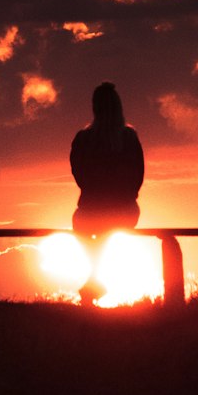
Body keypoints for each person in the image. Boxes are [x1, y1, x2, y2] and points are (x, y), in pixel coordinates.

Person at [70, 82, 144, 304]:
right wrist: (123, 198)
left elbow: (79, 175)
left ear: (94, 107)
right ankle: (94, 283)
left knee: (83, 226)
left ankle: (94, 281)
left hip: (90, 211)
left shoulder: (83, 139)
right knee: (104, 232)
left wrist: (97, 197)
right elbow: (137, 177)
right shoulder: (129, 137)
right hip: (126, 210)